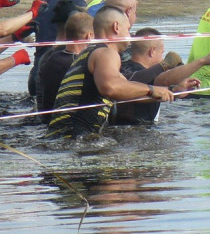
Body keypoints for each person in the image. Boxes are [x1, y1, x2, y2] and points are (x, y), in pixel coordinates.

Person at [46, 7, 178, 139]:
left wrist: (172, 91)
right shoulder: (106, 53)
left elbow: (127, 90)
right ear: (116, 27)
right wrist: (151, 89)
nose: (130, 36)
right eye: (128, 30)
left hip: (62, 139)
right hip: (74, 140)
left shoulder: (89, 53)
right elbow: (110, 87)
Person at [113, 28, 210, 124]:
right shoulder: (145, 76)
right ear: (152, 51)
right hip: (138, 134)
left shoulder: (119, 67)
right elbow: (163, 80)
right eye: (161, 53)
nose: (162, 57)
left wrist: (175, 91)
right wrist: (203, 61)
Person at [28, 0, 87, 96]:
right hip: (61, 70)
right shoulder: (75, 2)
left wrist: (31, 40)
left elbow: (23, 28)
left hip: (37, 71)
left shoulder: (42, 1)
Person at [35, 8, 93, 123]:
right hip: (63, 124)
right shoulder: (78, 64)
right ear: (89, 36)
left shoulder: (50, 58)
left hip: (45, 121)